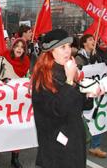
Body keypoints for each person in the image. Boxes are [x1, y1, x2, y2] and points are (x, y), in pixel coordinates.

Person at [31, 29, 95, 168]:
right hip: (56, 147)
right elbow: (58, 110)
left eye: (69, 46)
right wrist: (70, 80)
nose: (68, 51)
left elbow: (81, 107)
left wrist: (89, 94)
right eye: (62, 47)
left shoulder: (67, 70)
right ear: (51, 51)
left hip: (74, 140)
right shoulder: (43, 77)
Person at [0, 38, 30, 168]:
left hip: (18, 101)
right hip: (4, 100)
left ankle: (15, 158)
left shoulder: (26, 63)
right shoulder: (3, 59)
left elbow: (28, 79)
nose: (19, 49)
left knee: (17, 129)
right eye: (17, 46)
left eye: (22, 47)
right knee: (0, 126)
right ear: (12, 48)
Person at [75, 34, 107, 158]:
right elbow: (77, 73)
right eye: (90, 40)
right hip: (82, 94)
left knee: (97, 117)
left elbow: (103, 69)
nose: (93, 41)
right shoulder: (78, 57)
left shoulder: (97, 55)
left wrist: (106, 62)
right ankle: (77, 146)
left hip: (95, 93)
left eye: (93, 39)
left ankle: (95, 146)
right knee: (81, 121)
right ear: (84, 43)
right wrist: (89, 65)